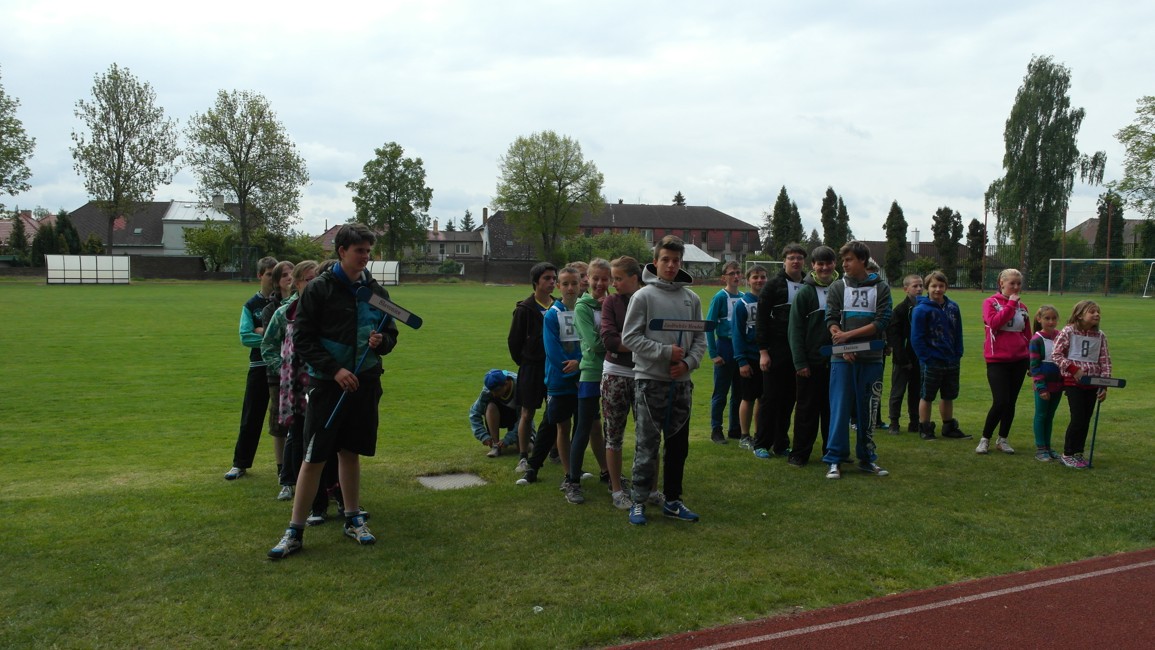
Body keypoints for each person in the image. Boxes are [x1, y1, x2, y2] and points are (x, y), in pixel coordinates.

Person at [267, 224, 400, 559]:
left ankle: (353, 519)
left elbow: (391, 333)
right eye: (360, 251)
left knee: (351, 452)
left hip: (365, 382)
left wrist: (382, 341)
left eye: (368, 251)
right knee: (314, 456)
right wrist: (335, 370)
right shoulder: (319, 289)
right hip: (327, 386)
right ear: (342, 251)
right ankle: (294, 531)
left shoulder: (376, 291)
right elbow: (303, 339)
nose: (366, 257)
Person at [622, 236, 706, 525]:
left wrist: (686, 363)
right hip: (650, 383)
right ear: (655, 262)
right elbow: (630, 337)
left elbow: (700, 339)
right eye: (665, 260)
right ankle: (638, 501)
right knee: (647, 446)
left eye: (676, 261)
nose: (671, 265)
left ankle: (673, 500)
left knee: (678, 446)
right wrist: (665, 353)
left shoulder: (691, 298)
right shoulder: (643, 296)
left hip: (681, 384)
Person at [822, 241, 892, 479]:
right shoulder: (837, 286)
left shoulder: (881, 288)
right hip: (841, 359)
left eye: (849, 259)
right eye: (843, 260)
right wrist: (843, 345)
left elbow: (881, 322)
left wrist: (848, 338)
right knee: (840, 409)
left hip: (871, 358)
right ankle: (835, 459)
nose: (844, 264)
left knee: (868, 409)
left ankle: (867, 457)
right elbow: (831, 319)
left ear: (862, 260)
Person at [517, 266, 582, 489]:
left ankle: (570, 469)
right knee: (556, 424)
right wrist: (573, 369)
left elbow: (590, 344)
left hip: (583, 379)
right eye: (565, 284)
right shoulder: (553, 314)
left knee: (579, 426)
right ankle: (553, 470)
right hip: (560, 379)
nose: (570, 288)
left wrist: (581, 364)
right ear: (559, 286)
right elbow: (553, 351)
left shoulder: (583, 310)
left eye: (575, 283)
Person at [224, 256, 278, 481]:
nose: (273, 279)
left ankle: (288, 468)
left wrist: (263, 332)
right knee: (251, 416)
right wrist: (273, 337)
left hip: (283, 367)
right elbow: (245, 337)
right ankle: (240, 464)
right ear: (260, 276)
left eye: (276, 274)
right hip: (259, 366)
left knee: (285, 419)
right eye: (269, 274)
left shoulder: (286, 302)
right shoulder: (251, 305)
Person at [786, 246, 838, 468]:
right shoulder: (805, 293)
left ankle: (833, 451)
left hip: (836, 363)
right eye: (820, 264)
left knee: (833, 410)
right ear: (813, 266)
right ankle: (800, 453)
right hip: (810, 364)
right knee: (807, 410)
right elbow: (795, 330)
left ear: (834, 264)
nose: (824, 268)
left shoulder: (841, 289)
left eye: (828, 263)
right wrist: (800, 362)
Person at [755, 244, 806, 458]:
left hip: (798, 352)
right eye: (791, 257)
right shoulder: (773, 285)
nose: (795, 261)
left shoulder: (808, 284)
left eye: (799, 258)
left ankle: (781, 443)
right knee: (770, 398)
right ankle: (761, 443)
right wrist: (763, 351)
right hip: (775, 350)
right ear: (784, 261)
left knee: (789, 399)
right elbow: (761, 319)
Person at [601, 256, 643, 510]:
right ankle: (617, 489)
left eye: (618, 278)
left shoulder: (647, 298)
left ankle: (647, 488)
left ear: (634, 278)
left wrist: (631, 343)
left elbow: (656, 334)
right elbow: (609, 340)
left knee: (647, 436)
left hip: (643, 374)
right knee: (613, 435)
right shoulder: (611, 302)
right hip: (615, 374)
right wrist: (644, 345)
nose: (613, 284)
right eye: (612, 278)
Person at [568, 258, 612, 504]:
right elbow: (595, 343)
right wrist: (618, 343)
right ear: (588, 279)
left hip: (614, 372)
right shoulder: (582, 307)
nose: (599, 283)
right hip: (591, 374)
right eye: (595, 278)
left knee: (612, 429)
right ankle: (573, 481)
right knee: (583, 428)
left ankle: (610, 474)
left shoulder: (613, 302)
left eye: (605, 279)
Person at [507, 262, 558, 473]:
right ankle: (523, 456)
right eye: (547, 278)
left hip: (555, 367)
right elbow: (514, 341)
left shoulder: (559, 306)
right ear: (536, 281)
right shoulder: (524, 309)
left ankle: (556, 451)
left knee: (555, 411)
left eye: (554, 278)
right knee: (527, 413)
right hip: (532, 368)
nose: (552, 282)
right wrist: (527, 360)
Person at [910, 270, 969, 441]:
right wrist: (926, 358)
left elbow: (958, 332)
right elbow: (916, 337)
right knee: (927, 395)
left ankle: (948, 426)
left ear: (946, 287)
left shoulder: (953, 307)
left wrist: (958, 353)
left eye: (941, 286)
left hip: (951, 359)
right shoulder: (921, 310)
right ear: (927, 288)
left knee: (949, 394)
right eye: (934, 286)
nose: (937, 289)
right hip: (932, 360)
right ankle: (925, 427)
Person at [1052, 300, 1111, 469]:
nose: (1096, 314)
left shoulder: (1100, 335)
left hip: (1093, 382)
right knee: (1077, 418)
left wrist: (1104, 385)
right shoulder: (1068, 331)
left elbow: (1105, 360)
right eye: (1092, 312)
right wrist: (1073, 369)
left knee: (1085, 419)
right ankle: (1067, 454)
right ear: (1079, 315)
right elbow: (1056, 354)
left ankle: (1078, 452)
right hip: (1074, 382)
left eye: (1098, 312)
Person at [979, 268, 1029, 455]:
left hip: (1019, 360)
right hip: (997, 360)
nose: (1016, 287)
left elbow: (1027, 335)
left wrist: (1031, 360)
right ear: (1002, 283)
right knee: (1000, 401)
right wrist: (1010, 304)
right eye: (1012, 283)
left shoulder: (1023, 308)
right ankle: (985, 438)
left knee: (1011, 402)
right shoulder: (990, 302)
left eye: (1019, 283)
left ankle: (1003, 439)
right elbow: (994, 323)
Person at [260, 260, 294, 499]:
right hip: (278, 375)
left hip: (302, 375)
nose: (289, 278)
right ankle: (283, 473)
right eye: (285, 275)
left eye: (293, 274)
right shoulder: (272, 310)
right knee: (279, 424)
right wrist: (283, 368)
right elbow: (270, 341)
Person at [704, 260, 743, 444]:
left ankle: (735, 429)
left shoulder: (744, 297)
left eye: (738, 272)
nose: (736, 276)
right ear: (724, 277)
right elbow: (709, 326)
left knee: (739, 393)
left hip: (740, 349)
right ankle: (716, 430)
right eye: (732, 273)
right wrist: (713, 354)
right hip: (725, 347)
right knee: (720, 393)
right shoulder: (720, 297)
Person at [732, 265, 768, 450]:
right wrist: (742, 361)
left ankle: (758, 434)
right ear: (748, 280)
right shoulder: (742, 304)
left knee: (763, 398)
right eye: (755, 277)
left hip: (766, 358)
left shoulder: (769, 302)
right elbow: (737, 334)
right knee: (748, 398)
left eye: (762, 277)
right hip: (749, 358)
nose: (759, 280)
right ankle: (744, 436)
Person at [887, 274, 923, 434]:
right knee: (898, 391)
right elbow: (895, 338)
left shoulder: (924, 307)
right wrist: (903, 359)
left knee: (916, 391)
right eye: (915, 286)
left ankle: (915, 422)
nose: (919, 289)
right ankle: (894, 422)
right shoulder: (900, 310)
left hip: (919, 358)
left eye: (921, 285)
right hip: (902, 359)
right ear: (906, 289)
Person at [1029, 305, 1064, 462]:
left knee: (1050, 416)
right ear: (1039, 319)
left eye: (1054, 318)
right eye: (1047, 318)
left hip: (1058, 384)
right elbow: (1034, 366)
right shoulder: (1036, 340)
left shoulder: (1060, 336)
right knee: (1041, 415)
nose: (1051, 322)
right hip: (1043, 385)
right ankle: (1040, 448)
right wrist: (1041, 387)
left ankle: (1048, 447)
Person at [468, 369, 521, 458]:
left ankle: (518, 440)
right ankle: (496, 445)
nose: (494, 394)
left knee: (527, 447)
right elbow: (474, 412)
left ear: (506, 383)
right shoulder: (487, 391)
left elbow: (525, 417)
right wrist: (483, 435)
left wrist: (509, 438)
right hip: (500, 416)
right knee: (490, 406)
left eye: (496, 390)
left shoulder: (521, 387)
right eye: (491, 391)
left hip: (517, 417)